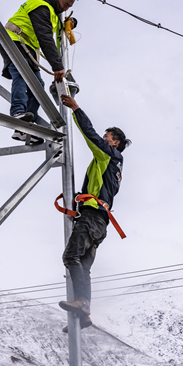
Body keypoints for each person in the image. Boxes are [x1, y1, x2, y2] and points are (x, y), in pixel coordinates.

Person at [58, 94, 131, 330]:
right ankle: (84, 313)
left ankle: (82, 303)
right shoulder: (113, 165)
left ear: (114, 143)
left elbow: (89, 134)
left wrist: (76, 108)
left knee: (71, 257)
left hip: (92, 218)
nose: (102, 139)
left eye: (106, 137)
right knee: (83, 266)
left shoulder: (108, 155)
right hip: (100, 223)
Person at [0, 0, 77, 144]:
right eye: (65, 4)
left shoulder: (52, 10)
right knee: (22, 74)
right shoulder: (41, 6)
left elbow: (53, 26)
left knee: (38, 85)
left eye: (69, 7)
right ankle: (17, 113)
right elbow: (45, 37)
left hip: (26, 47)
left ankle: (23, 128)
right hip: (14, 40)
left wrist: (72, 22)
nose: (65, 9)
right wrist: (57, 66)